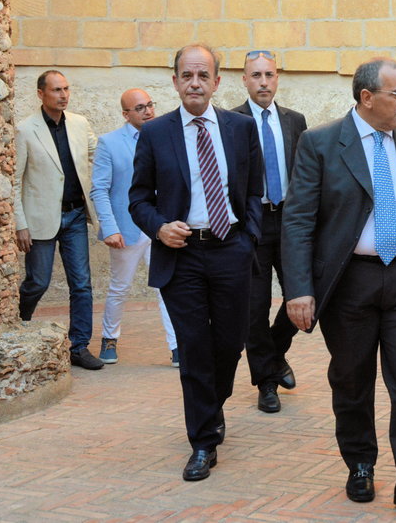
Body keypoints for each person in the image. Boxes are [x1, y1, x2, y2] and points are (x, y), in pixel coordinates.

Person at [282, 57, 396, 516]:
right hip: (349, 283)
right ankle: (360, 463)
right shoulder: (320, 143)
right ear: (366, 97)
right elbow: (298, 220)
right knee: (352, 379)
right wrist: (299, 288)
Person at [129, 44, 264, 481]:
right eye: (187, 75)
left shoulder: (241, 128)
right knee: (193, 348)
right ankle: (203, 441)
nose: (195, 83)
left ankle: (211, 405)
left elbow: (254, 190)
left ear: (217, 82)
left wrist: (247, 239)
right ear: (174, 82)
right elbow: (138, 198)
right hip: (181, 255)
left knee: (229, 344)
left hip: (230, 249)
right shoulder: (155, 133)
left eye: (203, 75)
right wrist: (159, 228)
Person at [231, 50, 307, 414]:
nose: (263, 82)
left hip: (290, 221)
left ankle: (274, 355)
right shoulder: (231, 121)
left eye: (269, 75)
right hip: (253, 223)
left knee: (303, 297)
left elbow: (306, 174)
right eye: (256, 75)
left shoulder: (295, 120)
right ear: (244, 80)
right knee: (254, 308)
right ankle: (266, 382)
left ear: (277, 78)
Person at [14, 70, 103, 370]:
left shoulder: (80, 123)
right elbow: (15, 180)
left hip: (75, 214)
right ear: (41, 94)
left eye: (66, 89)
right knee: (37, 282)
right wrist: (20, 223)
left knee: (82, 284)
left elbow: (97, 155)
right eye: (56, 90)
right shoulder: (25, 130)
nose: (63, 95)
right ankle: (19, 322)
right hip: (40, 219)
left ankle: (79, 346)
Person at [89, 89, 178, 366]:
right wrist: (110, 227)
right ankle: (109, 338)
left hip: (161, 226)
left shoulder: (165, 136)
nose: (148, 111)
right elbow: (100, 189)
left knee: (167, 287)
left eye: (150, 105)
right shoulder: (109, 143)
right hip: (126, 228)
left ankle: (178, 346)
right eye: (139, 108)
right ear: (126, 114)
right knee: (120, 287)